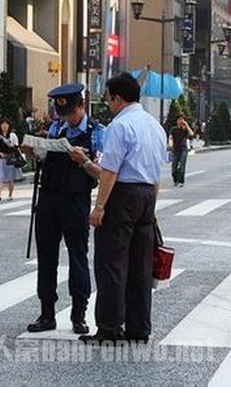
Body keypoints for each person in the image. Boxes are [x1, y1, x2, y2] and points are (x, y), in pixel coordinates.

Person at [78, 73, 167, 345]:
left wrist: (99, 206)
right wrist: (150, 209)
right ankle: (139, 327)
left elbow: (110, 171)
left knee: (112, 263)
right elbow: (157, 172)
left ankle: (109, 327)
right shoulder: (155, 126)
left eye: (108, 97)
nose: (107, 102)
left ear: (117, 97)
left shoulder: (120, 126)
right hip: (147, 195)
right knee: (140, 265)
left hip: (122, 194)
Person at [23, 83, 105, 334]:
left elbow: (104, 173)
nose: (66, 118)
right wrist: (32, 153)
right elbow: (44, 158)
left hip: (76, 200)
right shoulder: (56, 129)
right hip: (48, 198)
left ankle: (78, 314)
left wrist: (84, 161)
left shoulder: (97, 132)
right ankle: (46, 313)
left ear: (81, 106)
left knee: (78, 256)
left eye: (71, 113)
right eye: (62, 113)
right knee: (46, 258)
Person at [0, 118, 23, 201]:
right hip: (1, 159)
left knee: (10, 179)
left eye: (6, 124)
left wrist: (11, 146)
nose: (4, 126)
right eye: (2, 124)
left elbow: (16, 147)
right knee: (0, 177)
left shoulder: (13, 136)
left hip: (10, 159)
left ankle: (10, 194)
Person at [169, 114, 194, 188]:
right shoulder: (173, 129)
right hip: (175, 150)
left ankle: (181, 181)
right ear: (177, 121)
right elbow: (170, 138)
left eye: (182, 120)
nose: (180, 121)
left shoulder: (185, 129)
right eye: (179, 119)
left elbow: (191, 134)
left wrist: (186, 125)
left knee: (182, 166)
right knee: (174, 167)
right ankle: (175, 180)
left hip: (183, 150)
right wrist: (170, 144)